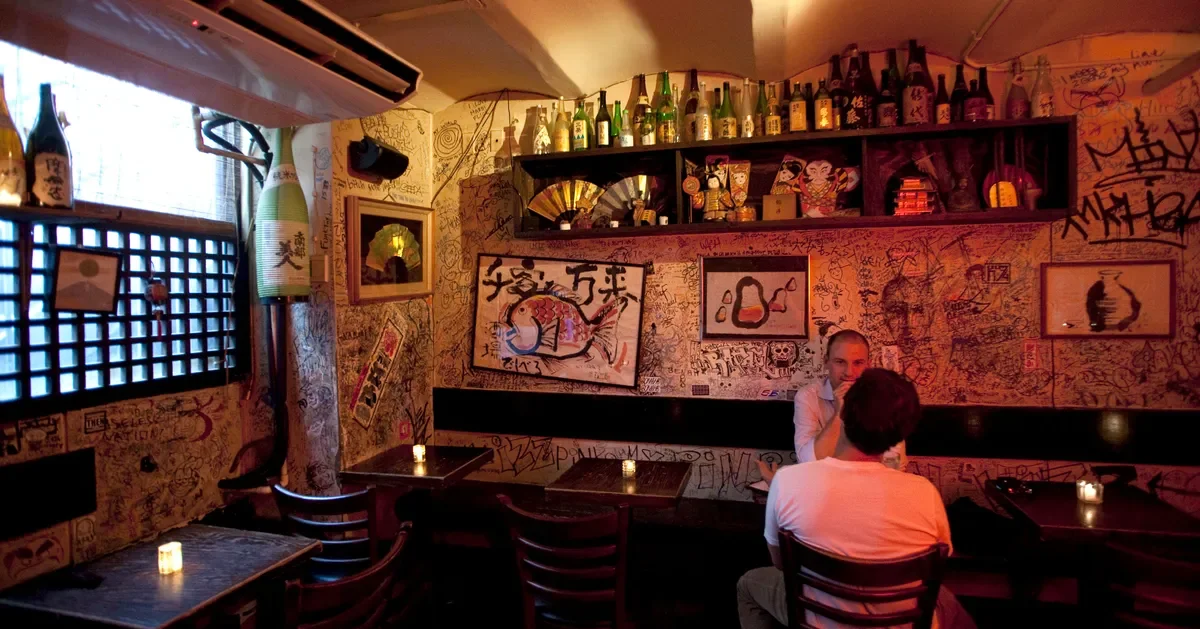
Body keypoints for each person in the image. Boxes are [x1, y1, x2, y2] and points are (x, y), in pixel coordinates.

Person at [737, 368, 974, 629]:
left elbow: (780, 562)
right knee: (947, 601)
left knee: (747, 585)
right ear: (901, 434)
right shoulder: (925, 493)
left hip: (818, 621)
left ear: (843, 412)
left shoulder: (786, 481)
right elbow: (937, 568)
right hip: (902, 623)